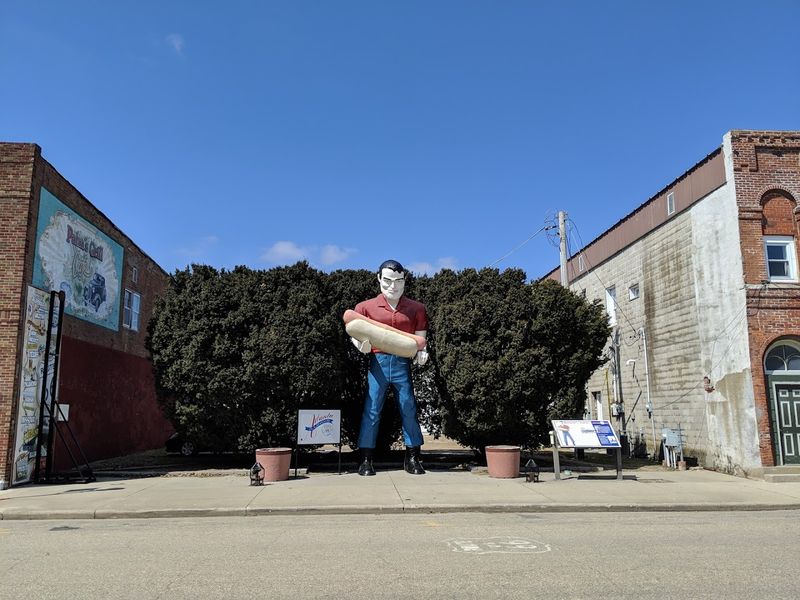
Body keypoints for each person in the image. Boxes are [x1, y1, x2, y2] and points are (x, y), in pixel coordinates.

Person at [350, 259, 429, 476]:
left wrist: (421, 352)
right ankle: (366, 459)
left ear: (405, 280)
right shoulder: (364, 307)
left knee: (408, 408)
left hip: (403, 362)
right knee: (372, 409)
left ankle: (413, 457)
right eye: (387, 280)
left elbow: (420, 339)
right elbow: (355, 333)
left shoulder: (416, 308)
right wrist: (361, 346)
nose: (393, 286)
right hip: (378, 363)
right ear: (379, 279)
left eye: (398, 281)